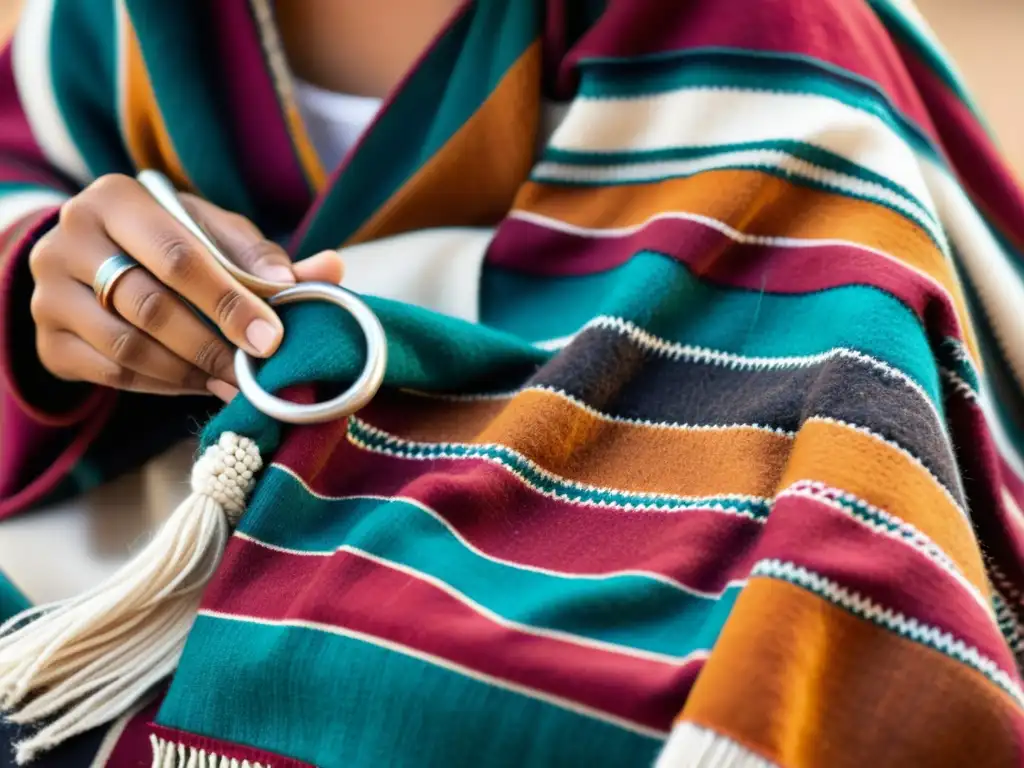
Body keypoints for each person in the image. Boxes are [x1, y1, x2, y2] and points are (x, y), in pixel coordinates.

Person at [1, 0, 1024, 766]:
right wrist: (51, 288)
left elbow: (851, 453)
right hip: (121, 561)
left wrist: (373, 340)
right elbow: (26, 190)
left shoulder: (768, 33)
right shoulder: (105, 25)